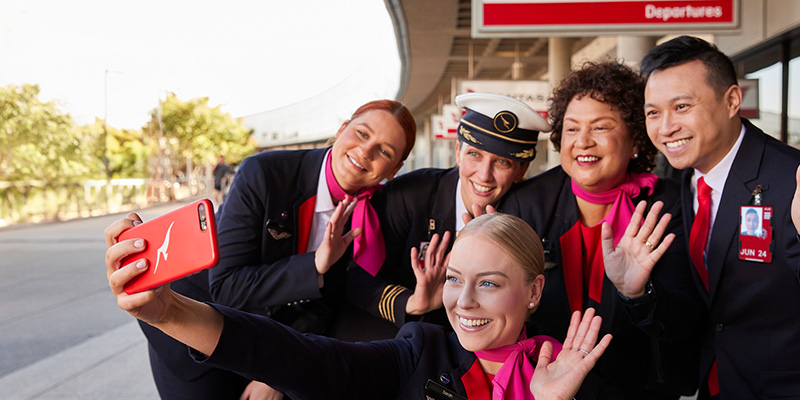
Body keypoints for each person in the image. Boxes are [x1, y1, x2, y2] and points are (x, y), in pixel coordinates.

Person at [105, 212, 613, 399]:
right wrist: (170, 313)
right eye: (456, 279)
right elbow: (305, 359)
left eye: (490, 284)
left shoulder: (570, 373)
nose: (463, 301)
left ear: (534, 292)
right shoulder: (423, 349)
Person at [136, 100, 417, 399]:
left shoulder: (369, 216)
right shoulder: (265, 173)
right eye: (362, 133)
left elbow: (326, 304)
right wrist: (315, 266)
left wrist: (275, 371)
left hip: (261, 342)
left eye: (384, 151)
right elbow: (227, 287)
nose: (365, 152)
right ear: (342, 128)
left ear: (395, 169)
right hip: (192, 322)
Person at [502, 61, 702, 399]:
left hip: (639, 388)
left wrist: (637, 295)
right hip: (543, 385)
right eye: (571, 128)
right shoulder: (527, 205)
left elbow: (682, 323)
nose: (583, 142)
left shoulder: (667, 206)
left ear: (636, 139)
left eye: (601, 128)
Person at [640, 35, 800, 398]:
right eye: (653, 112)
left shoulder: (791, 179)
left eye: (682, 106)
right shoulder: (682, 183)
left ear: (731, 101)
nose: (665, 128)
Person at [348, 93, 552, 333]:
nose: (484, 175)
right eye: (474, 154)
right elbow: (356, 278)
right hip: (399, 336)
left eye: (502, 163)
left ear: (521, 170)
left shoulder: (527, 215)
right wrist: (411, 302)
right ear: (458, 152)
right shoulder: (409, 195)